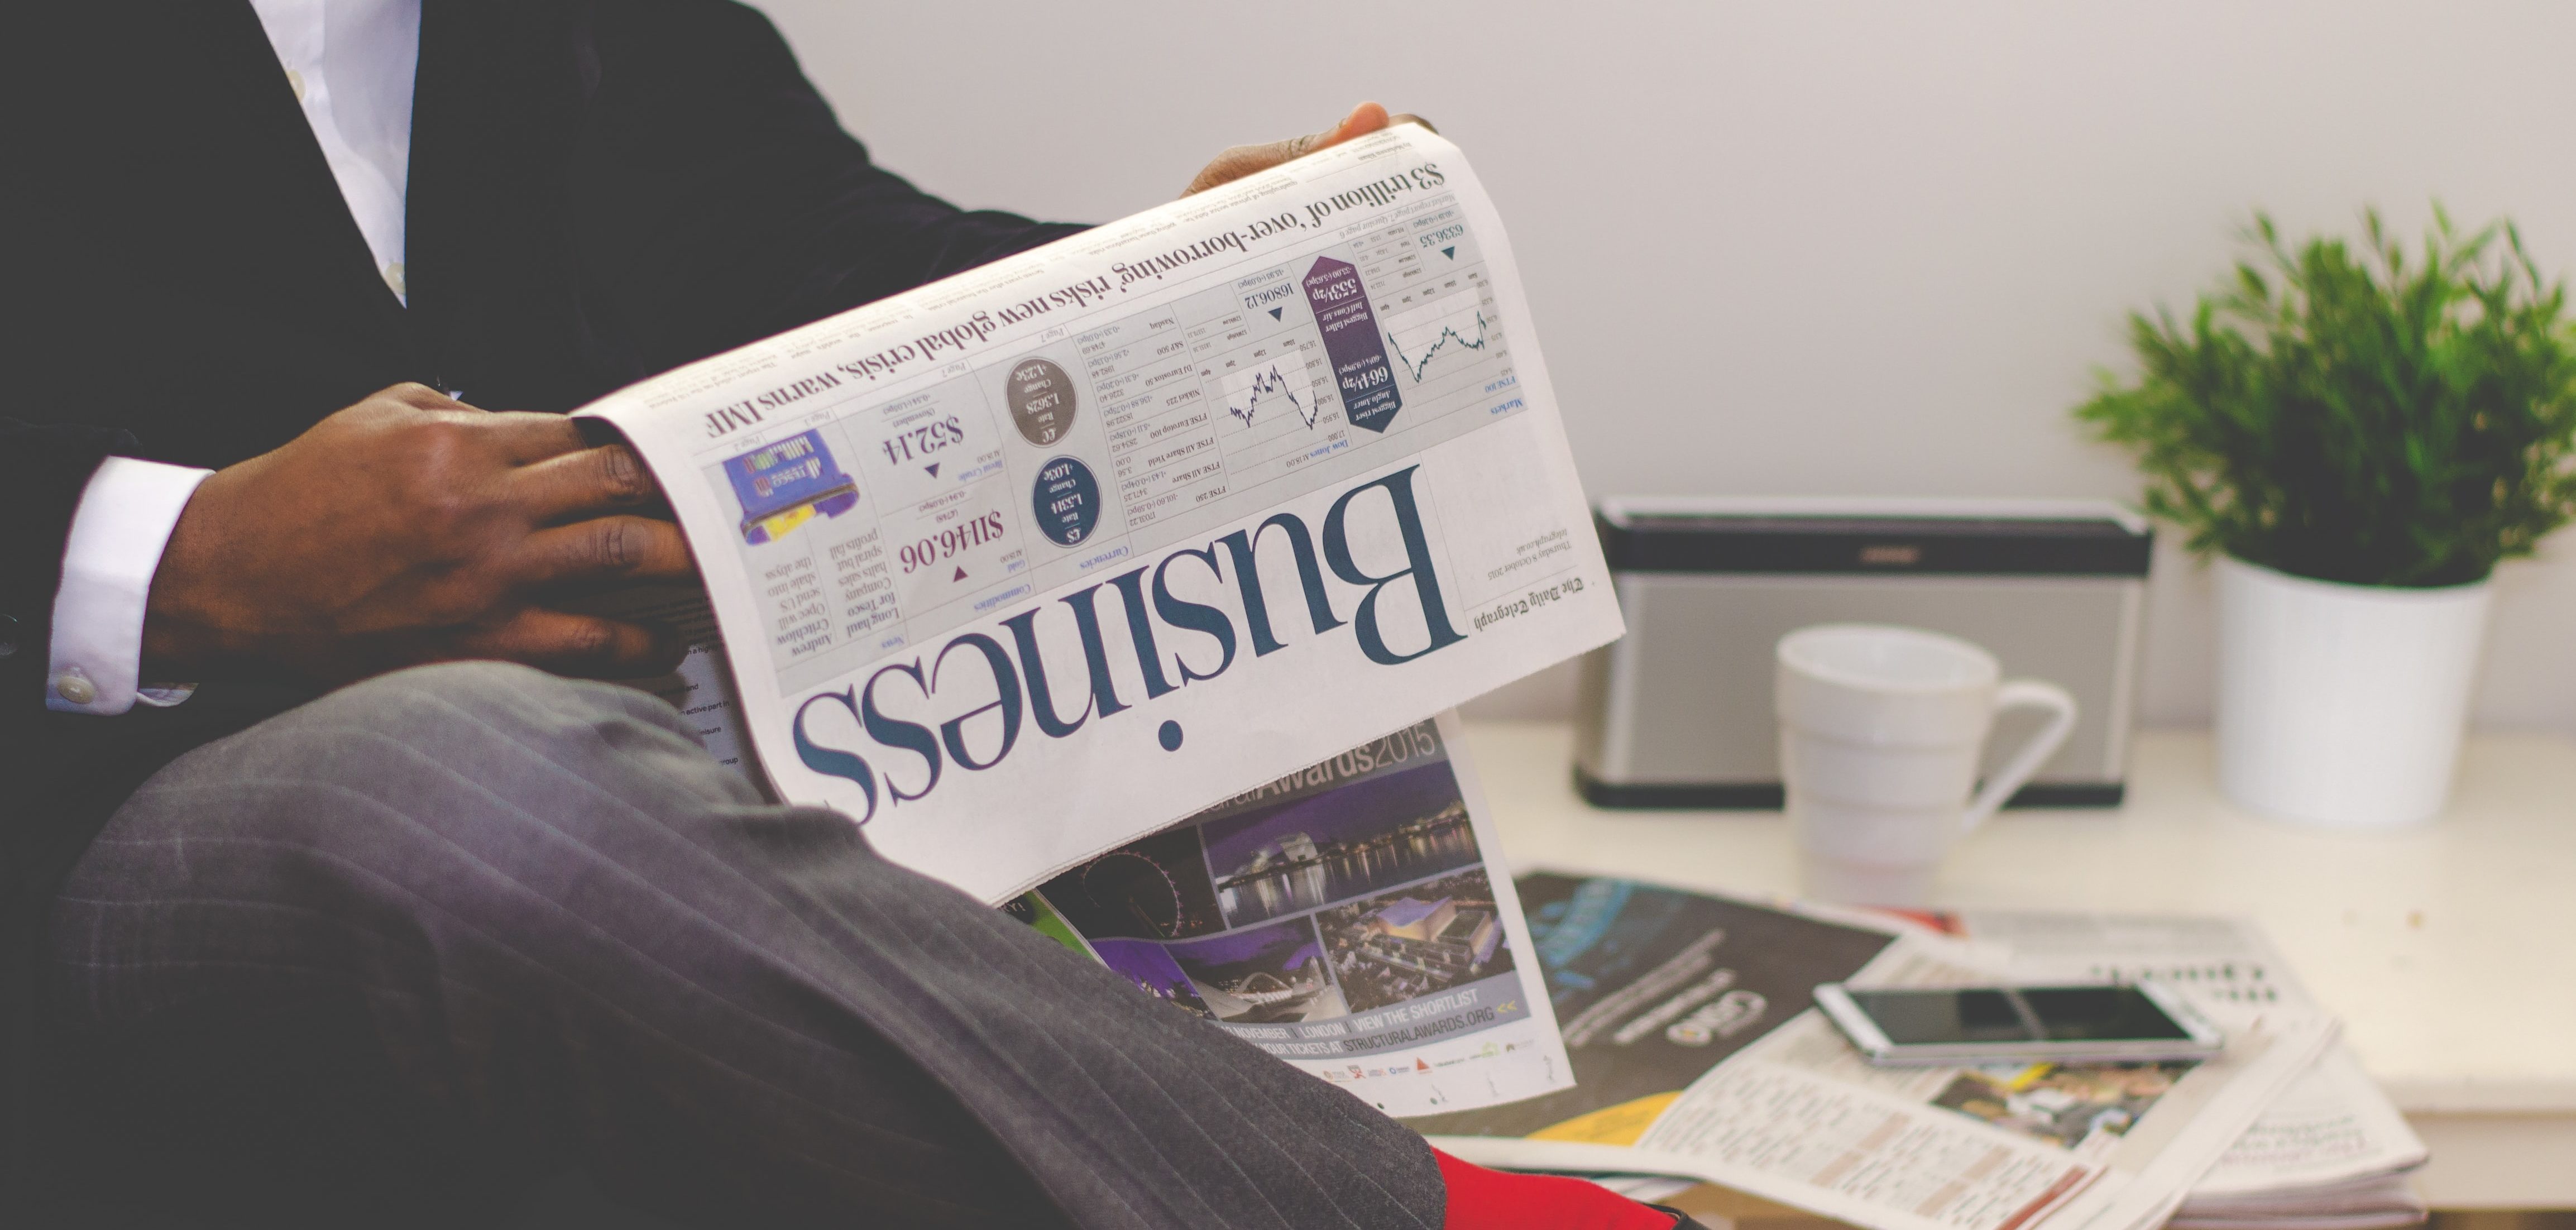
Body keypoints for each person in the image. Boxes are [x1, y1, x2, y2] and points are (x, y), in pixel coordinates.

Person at [0, 4, 1684, 1227]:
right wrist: (177, 558)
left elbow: (806, 255)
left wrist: (1155, 283)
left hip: (649, 794)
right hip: (96, 829)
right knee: (467, 780)